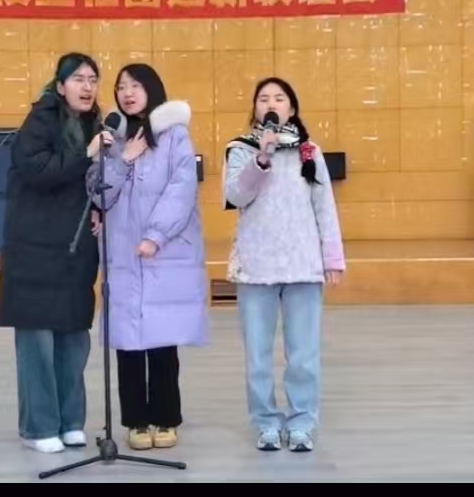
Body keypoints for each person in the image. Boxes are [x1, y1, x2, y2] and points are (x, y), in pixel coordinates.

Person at [87, 63, 208, 451]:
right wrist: (122, 158)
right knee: (128, 342)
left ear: (152, 90)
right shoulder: (112, 138)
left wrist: (155, 235)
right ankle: (136, 421)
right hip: (123, 253)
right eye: (121, 86)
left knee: (161, 340)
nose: (127, 93)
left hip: (164, 251)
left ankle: (166, 417)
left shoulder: (175, 136)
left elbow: (182, 188)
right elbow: (97, 192)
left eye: (135, 85)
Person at [0, 52, 112, 454]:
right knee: (38, 342)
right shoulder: (40, 121)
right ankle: (38, 426)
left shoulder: (96, 125)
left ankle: (71, 421)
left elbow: (97, 181)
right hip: (35, 248)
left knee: (73, 338)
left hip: (75, 248)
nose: (87, 86)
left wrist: (99, 208)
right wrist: (87, 154)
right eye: (78, 79)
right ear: (60, 86)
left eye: (92, 79)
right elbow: (37, 171)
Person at [222, 77, 346, 453]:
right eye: (263, 98)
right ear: (255, 109)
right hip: (256, 265)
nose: (271, 103)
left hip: (302, 263)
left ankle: (302, 421)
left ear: (291, 108)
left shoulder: (310, 152)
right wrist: (262, 158)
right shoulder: (240, 149)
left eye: (279, 98)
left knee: (304, 354)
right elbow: (235, 196)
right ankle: (266, 423)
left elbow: (324, 206)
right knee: (258, 356)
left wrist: (332, 257)